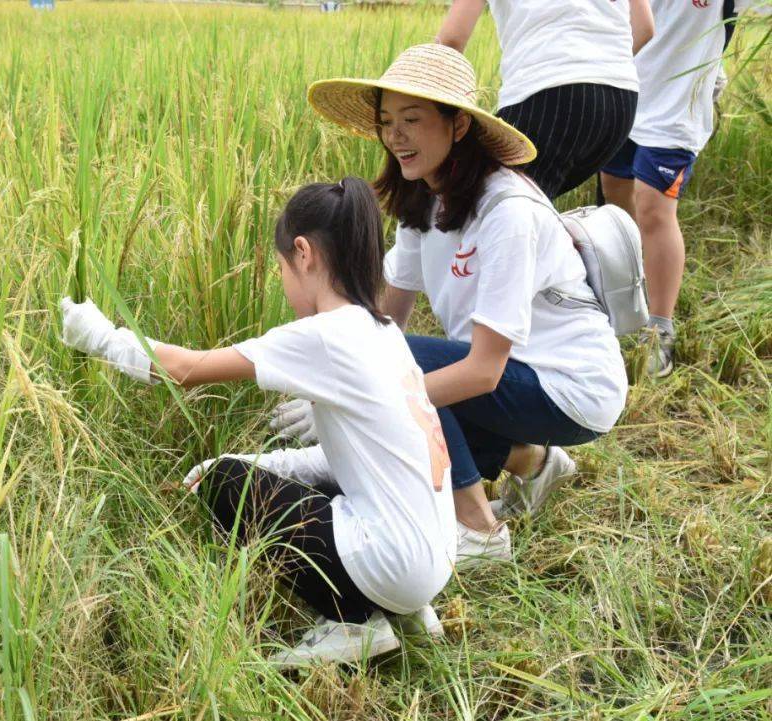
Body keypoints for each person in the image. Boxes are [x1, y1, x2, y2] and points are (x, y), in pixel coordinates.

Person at [58, 177, 456, 666]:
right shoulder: (383, 332)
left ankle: (352, 620)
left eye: (283, 267)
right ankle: (405, 611)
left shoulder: (327, 334)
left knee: (226, 483)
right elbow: (354, 460)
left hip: (398, 562)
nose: (284, 279)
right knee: (249, 473)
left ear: (304, 254)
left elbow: (186, 370)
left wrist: (99, 337)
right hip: (435, 555)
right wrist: (262, 463)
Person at [276, 44, 629, 565]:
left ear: (459, 126)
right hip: (520, 376)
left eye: (413, 119)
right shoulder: (426, 199)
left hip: (571, 387)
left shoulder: (507, 211)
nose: (395, 136)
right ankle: (530, 461)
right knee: (394, 359)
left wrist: (374, 395)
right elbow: (383, 324)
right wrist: (340, 377)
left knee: (407, 370)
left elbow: (483, 372)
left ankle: (478, 529)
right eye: (387, 121)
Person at [599, 0, 733, 377]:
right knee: (615, 195)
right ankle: (629, 295)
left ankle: (659, 327)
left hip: (677, 110)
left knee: (653, 207)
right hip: (623, 95)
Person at [435, 0, 654, 200]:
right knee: (530, 211)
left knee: (475, 204)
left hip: (550, 93)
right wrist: (598, 67)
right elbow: (644, 27)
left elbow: (451, 39)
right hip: (620, 102)